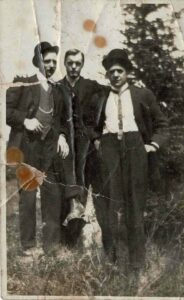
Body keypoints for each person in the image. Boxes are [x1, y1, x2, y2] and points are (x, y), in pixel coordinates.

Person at [92, 49, 168, 272]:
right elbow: (88, 124)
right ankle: (112, 260)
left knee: (135, 206)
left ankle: (137, 264)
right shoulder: (100, 97)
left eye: (119, 71)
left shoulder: (143, 95)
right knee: (110, 204)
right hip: (109, 150)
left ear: (127, 72)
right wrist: (97, 140)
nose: (115, 75)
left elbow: (162, 125)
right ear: (107, 74)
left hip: (135, 149)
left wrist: (152, 145)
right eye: (111, 71)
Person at [6, 42, 75, 255]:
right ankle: (28, 247)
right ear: (38, 61)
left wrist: (62, 136)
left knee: (52, 195)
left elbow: (63, 121)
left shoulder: (59, 90)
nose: (52, 65)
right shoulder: (23, 83)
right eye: (47, 61)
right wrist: (24, 121)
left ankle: (51, 246)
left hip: (49, 150)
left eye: (55, 61)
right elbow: (6, 111)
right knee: (27, 197)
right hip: (27, 147)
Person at [59, 49, 104, 247]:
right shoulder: (58, 87)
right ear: (65, 64)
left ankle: (80, 239)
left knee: (83, 183)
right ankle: (65, 240)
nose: (74, 67)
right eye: (70, 63)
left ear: (82, 64)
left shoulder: (91, 86)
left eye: (77, 63)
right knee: (64, 187)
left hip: (84, 143)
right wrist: (60, 135)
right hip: (64, 142)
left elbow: (106, 99)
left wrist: (95, 133)